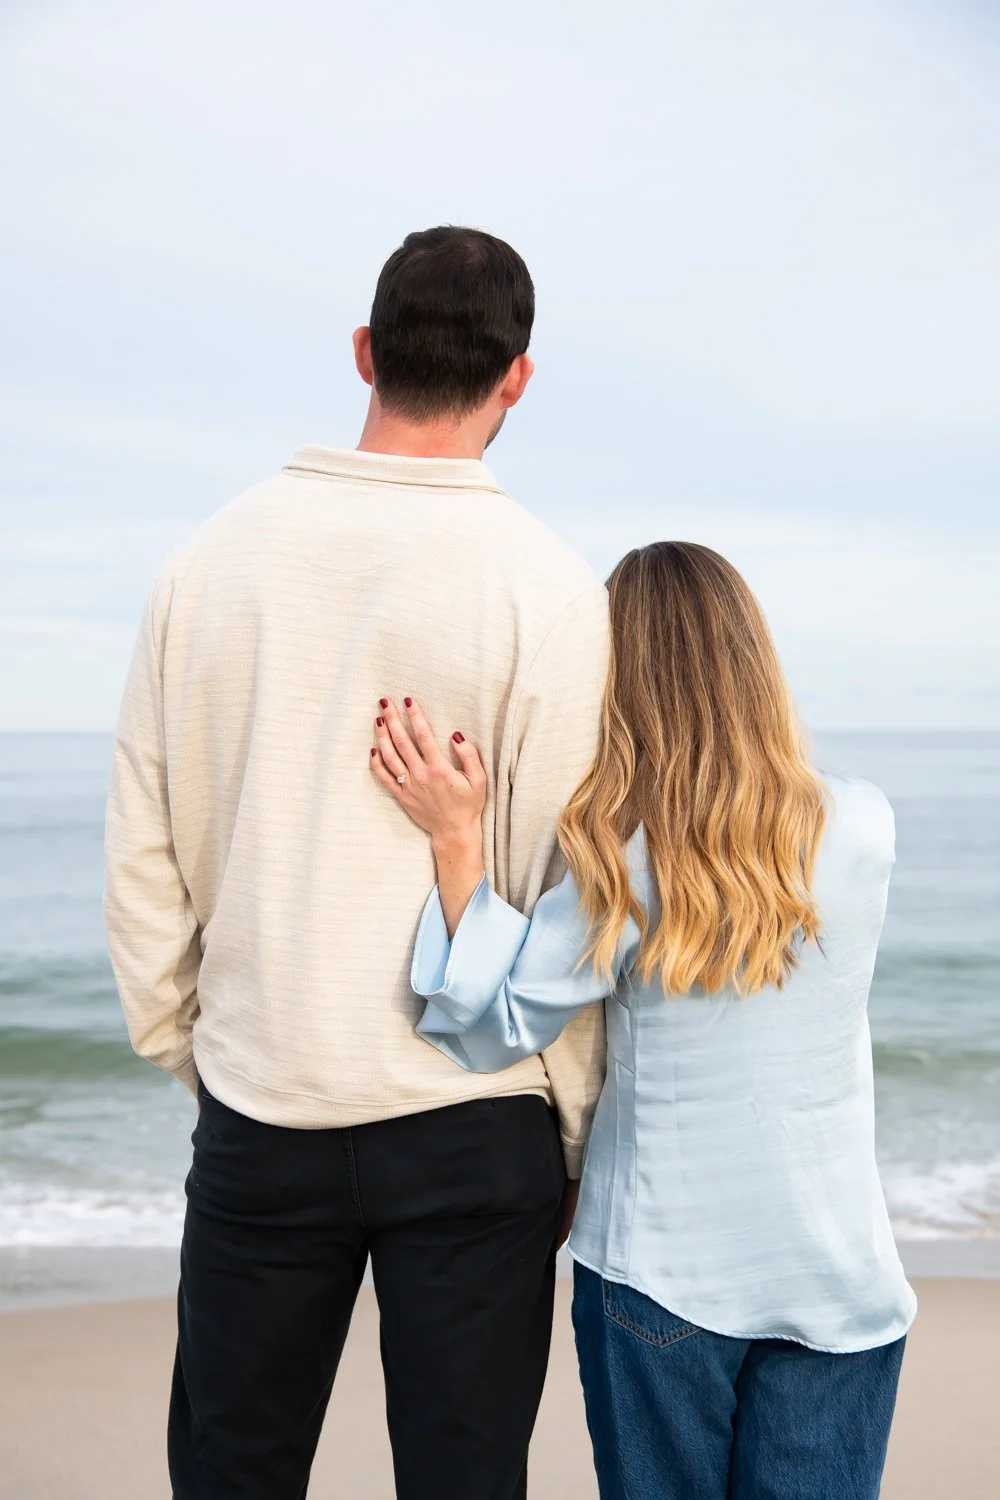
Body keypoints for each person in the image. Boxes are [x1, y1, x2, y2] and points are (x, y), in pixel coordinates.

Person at [104, 226, 610, 1500]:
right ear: (518, 379)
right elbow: (574, 898)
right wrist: (574, 1128)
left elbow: (143, 852)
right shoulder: (549, 589)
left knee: (232, 1475)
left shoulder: (206, 563)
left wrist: (195, 1047)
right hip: (475, 1121)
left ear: (364, 353)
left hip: (265, 1101)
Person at [371, 541, 917, 1500]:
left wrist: (459, 839)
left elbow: (491, 1025)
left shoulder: (621, 862)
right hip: (839, 1274)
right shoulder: (865, 824)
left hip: (663, 1273)